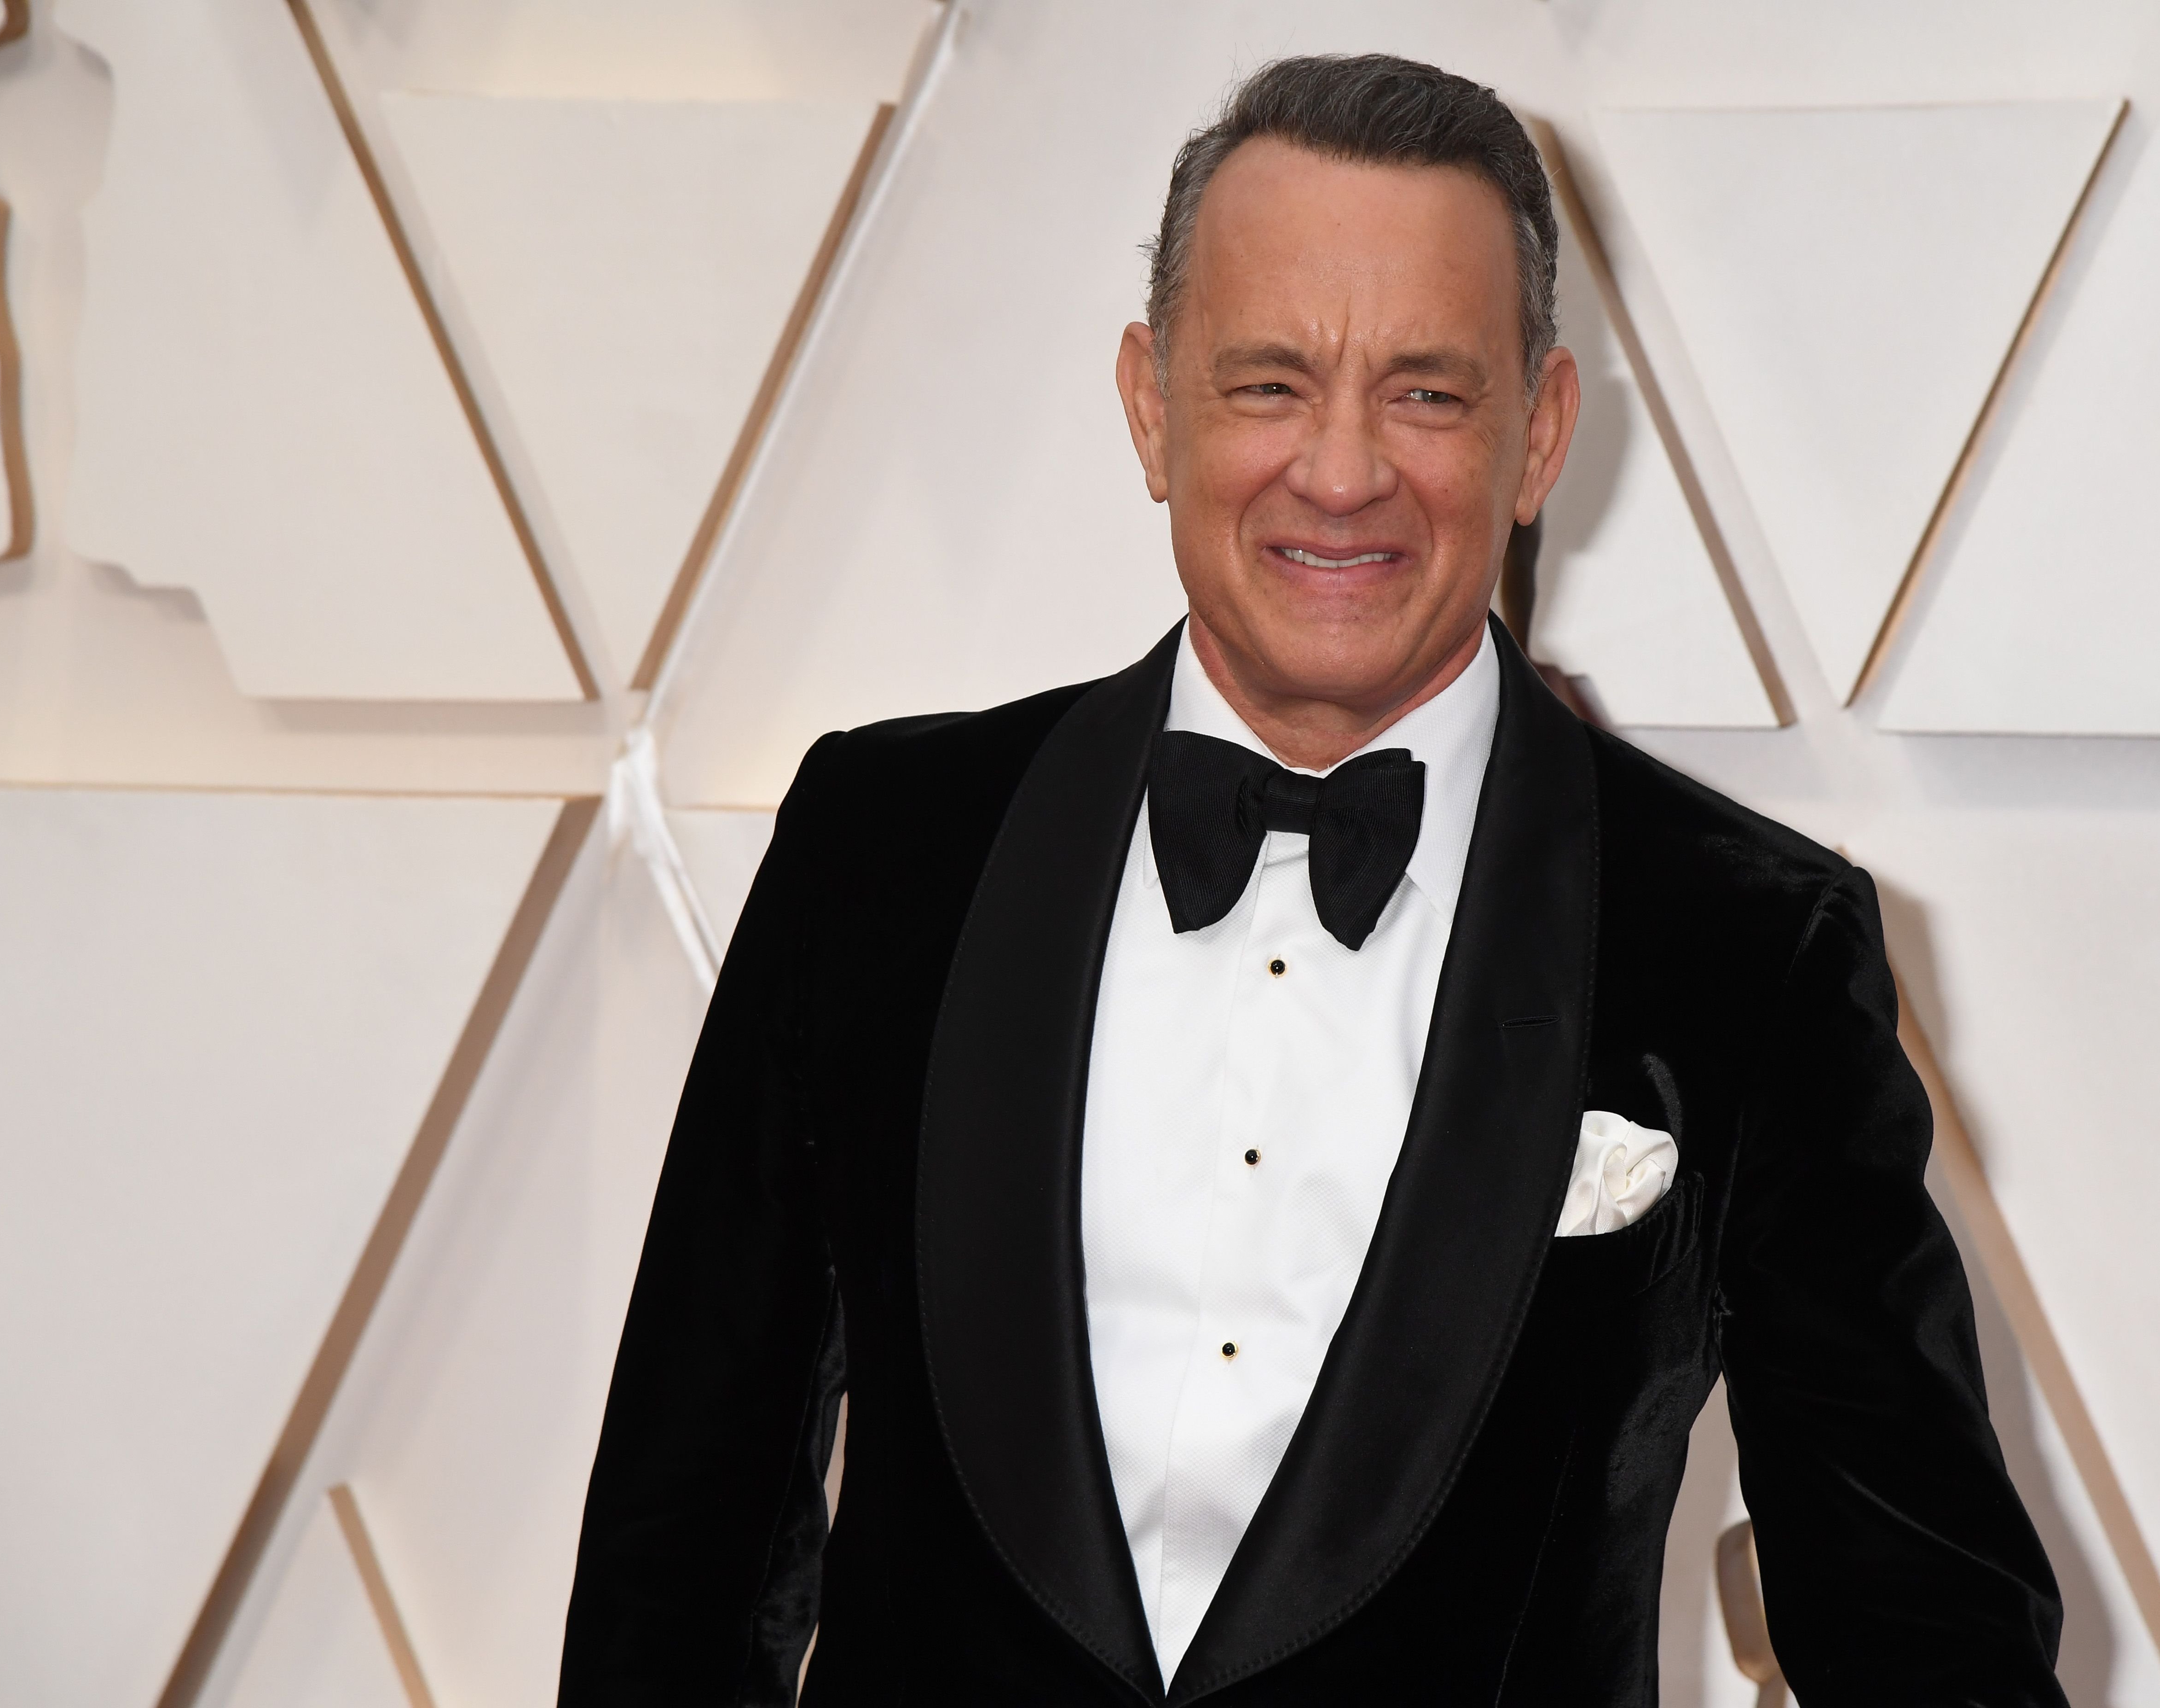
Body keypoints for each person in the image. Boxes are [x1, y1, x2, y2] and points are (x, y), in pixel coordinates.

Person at [559, 54, 2064, 1708]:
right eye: (1269, 384)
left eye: (1425, 392)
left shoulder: (1745, 945)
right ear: (1151, 404)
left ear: (1542, 432)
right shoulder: (882, 846)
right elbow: (681, 1559)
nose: (1341, 474)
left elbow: (1926, 1635)